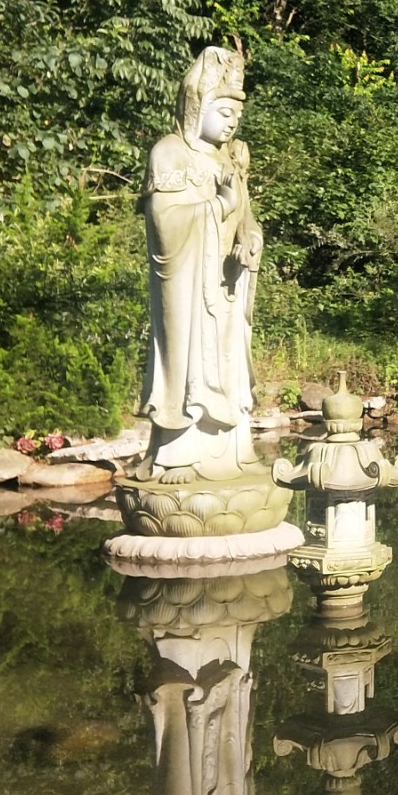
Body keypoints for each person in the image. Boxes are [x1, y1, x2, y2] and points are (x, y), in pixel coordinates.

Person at [136, 46, 264, 482]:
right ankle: (178, 453)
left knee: (229, 361)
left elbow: (246, 216)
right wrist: (218, 206)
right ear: (199, 107)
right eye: (224, 112)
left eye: (237, 115)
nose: (232, 122)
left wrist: (249, 238)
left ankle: (234, 450)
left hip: (225, 284)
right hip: (187, 285)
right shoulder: (170, 152)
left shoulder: (231, 159)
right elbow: (164, 221)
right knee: (187, 359)